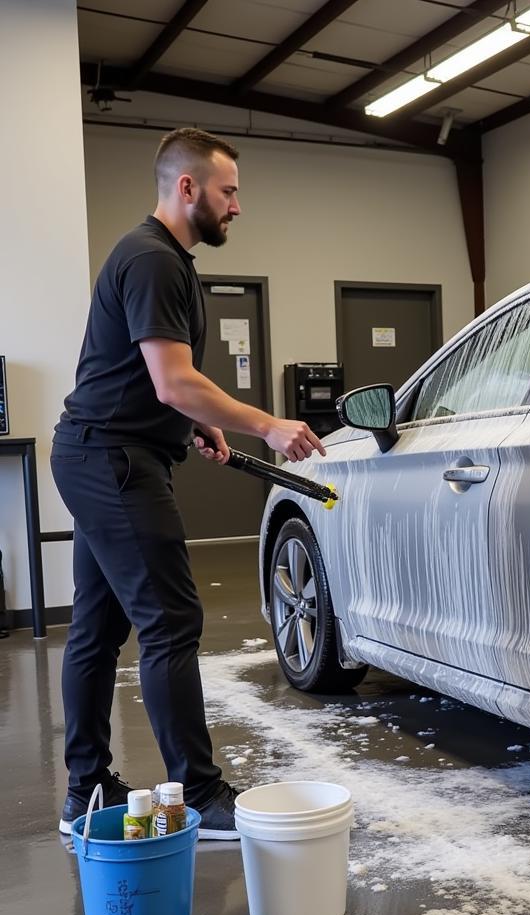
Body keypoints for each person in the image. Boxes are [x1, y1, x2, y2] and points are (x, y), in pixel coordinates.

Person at [51, 127, 325, 839]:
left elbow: (157, 384)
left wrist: (193, 426)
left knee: (98, 628)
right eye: (228, 191)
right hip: (113, 461)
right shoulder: (152, 260)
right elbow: (173, 380)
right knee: (170, 624)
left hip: (101, 452)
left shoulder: (161, 258)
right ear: (187, 187)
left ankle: (86, 788)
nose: (237, 206)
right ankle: (200, 797)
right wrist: (265, 424)